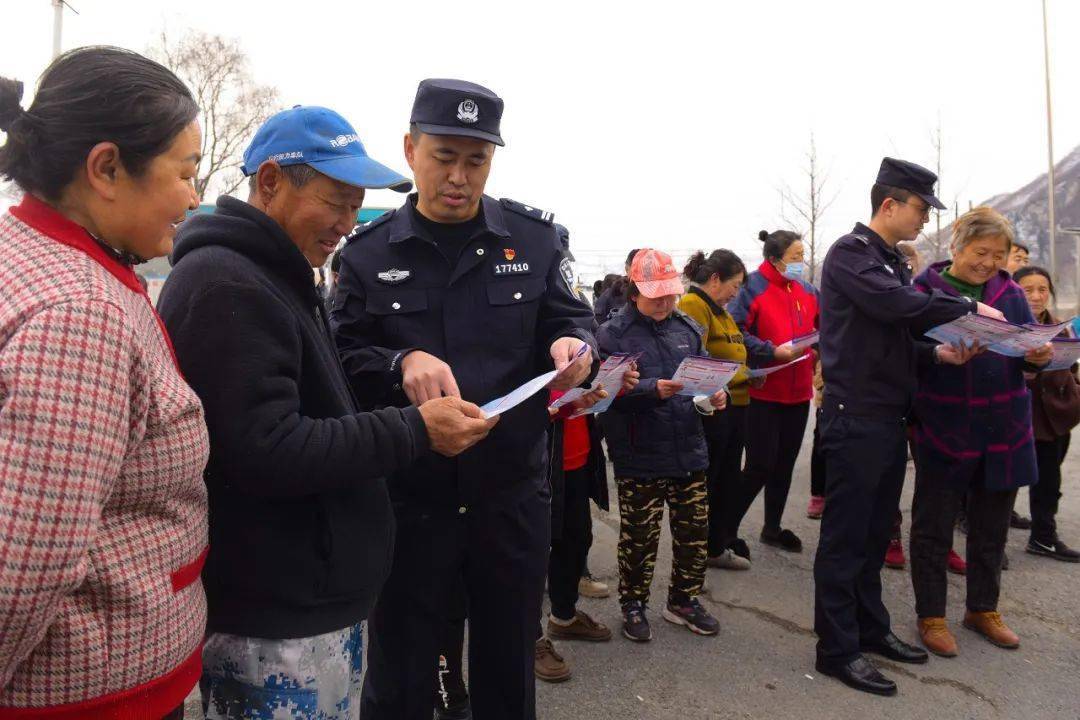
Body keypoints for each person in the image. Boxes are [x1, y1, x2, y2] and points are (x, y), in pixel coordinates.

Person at [159, 105, 496, 719]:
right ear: (269, 182)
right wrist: (415, 429)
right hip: (275, 622)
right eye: (336, 202)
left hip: (308, 609)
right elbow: (266, 450)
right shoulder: (229, 283)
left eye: (356, 205)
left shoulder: (280, 273)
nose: (346, 223)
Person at [330, 78, 596, 720]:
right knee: (401, 675)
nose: (459, 177)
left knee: (508, 667)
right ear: (410, 149)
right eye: (444, 157)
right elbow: (339, 355)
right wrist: (400, 361)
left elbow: (573, 318)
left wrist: (573, 346)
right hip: (411, 500)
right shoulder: (367, 254)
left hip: (510, 498)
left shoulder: (535, 240)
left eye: (476, 160)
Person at [0, 48, 208, 719]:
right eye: (186, 173)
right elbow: (24, 564)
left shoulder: (30, 251)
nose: (194, 197)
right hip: (88, 693)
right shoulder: (79, 316)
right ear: (107, 168)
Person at [813, 157, 1005, 697]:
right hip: (855, 418)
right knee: (845, 540)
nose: (925, 218)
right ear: (889, 204)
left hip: (887, 418)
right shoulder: (851, 254)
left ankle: (869, 628)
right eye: (921, 208)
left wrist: (939, 354)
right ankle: (836, 649)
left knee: (875, 534)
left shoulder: (889, 259)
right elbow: (898, 305)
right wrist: (968, 306)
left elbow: (891, 340)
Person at [909, 207, 1052, 657]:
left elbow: (1024, 354)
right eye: (980, 252)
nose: (988, 262)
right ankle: (931, 615)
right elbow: (904, 353)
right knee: (933, 527)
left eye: (997, 254)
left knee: (992, 527)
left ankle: (982, 608)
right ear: (956, 246)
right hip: (945, 425)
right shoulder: (922, 292)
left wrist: (1038, 357)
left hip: (1003, 426)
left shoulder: (1011, 293)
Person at [598, 248, 727, 642]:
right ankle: (633, 604)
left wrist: (714, 395)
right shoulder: (613, 334)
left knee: (694, 533)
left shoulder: (687, 328)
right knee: (639, 538)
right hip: (639, 452)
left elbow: (705, 376)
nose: (665, 303)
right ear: (635, 291)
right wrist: (652, 390)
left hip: (688, 447)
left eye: (670, 294)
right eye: (656, 296)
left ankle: (684, 600)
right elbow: (604, 396)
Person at [729, 230, 819, 553]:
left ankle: (772, 527)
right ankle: (724, 531)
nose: (801, 262)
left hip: (799, 393)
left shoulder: (808, 290)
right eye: (795, 257)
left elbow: (824, 327)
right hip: (763, 392)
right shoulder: (751, 288)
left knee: (784, 464)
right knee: (759, 466)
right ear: (774, 259)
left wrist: (818, 348)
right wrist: (770, 351)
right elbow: (734, 332)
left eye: (802, 256)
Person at [678, 249, 753, 570]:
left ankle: (715, 546)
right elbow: (697, 359)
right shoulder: (694, 305)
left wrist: (748, 373)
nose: (736, 294)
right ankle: (698, 554)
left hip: (735, 407)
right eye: (734, 285)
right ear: (714, 279)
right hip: (713, 409)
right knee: (710, 484)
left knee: (727, 482)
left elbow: (734, 348)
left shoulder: (720, 310)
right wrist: (742, 374)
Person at [1014, 266, 1080, 562]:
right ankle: (989, 544)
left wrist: (1075, 390)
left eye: (1042, 289)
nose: (1036, 296)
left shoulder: (1061, 329)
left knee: (1049, 481)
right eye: (1027, 290)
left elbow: (1072, 365)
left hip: (1055, 417)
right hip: (1017, 416)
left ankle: (1043, 537)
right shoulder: (1006, 329)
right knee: (1003, 482)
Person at [593, 249, 639, 325]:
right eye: (637, 266)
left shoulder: (654, 291)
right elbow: (599, 323)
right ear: (627, 268)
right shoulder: (611, 294)